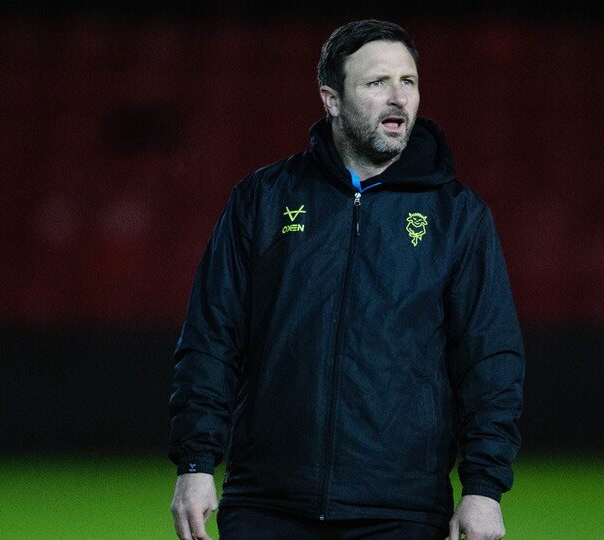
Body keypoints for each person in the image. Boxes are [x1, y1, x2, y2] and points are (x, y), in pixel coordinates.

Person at [169, 19, 524, 540]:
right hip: (267, 504)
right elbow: (210, 339)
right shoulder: (261, 200)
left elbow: (490, 359)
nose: (398, 97)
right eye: (377, 83)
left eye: (408, 81)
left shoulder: (458, 217)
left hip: (402, 512)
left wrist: (484, 488)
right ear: (331, 99)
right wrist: (196, 462)